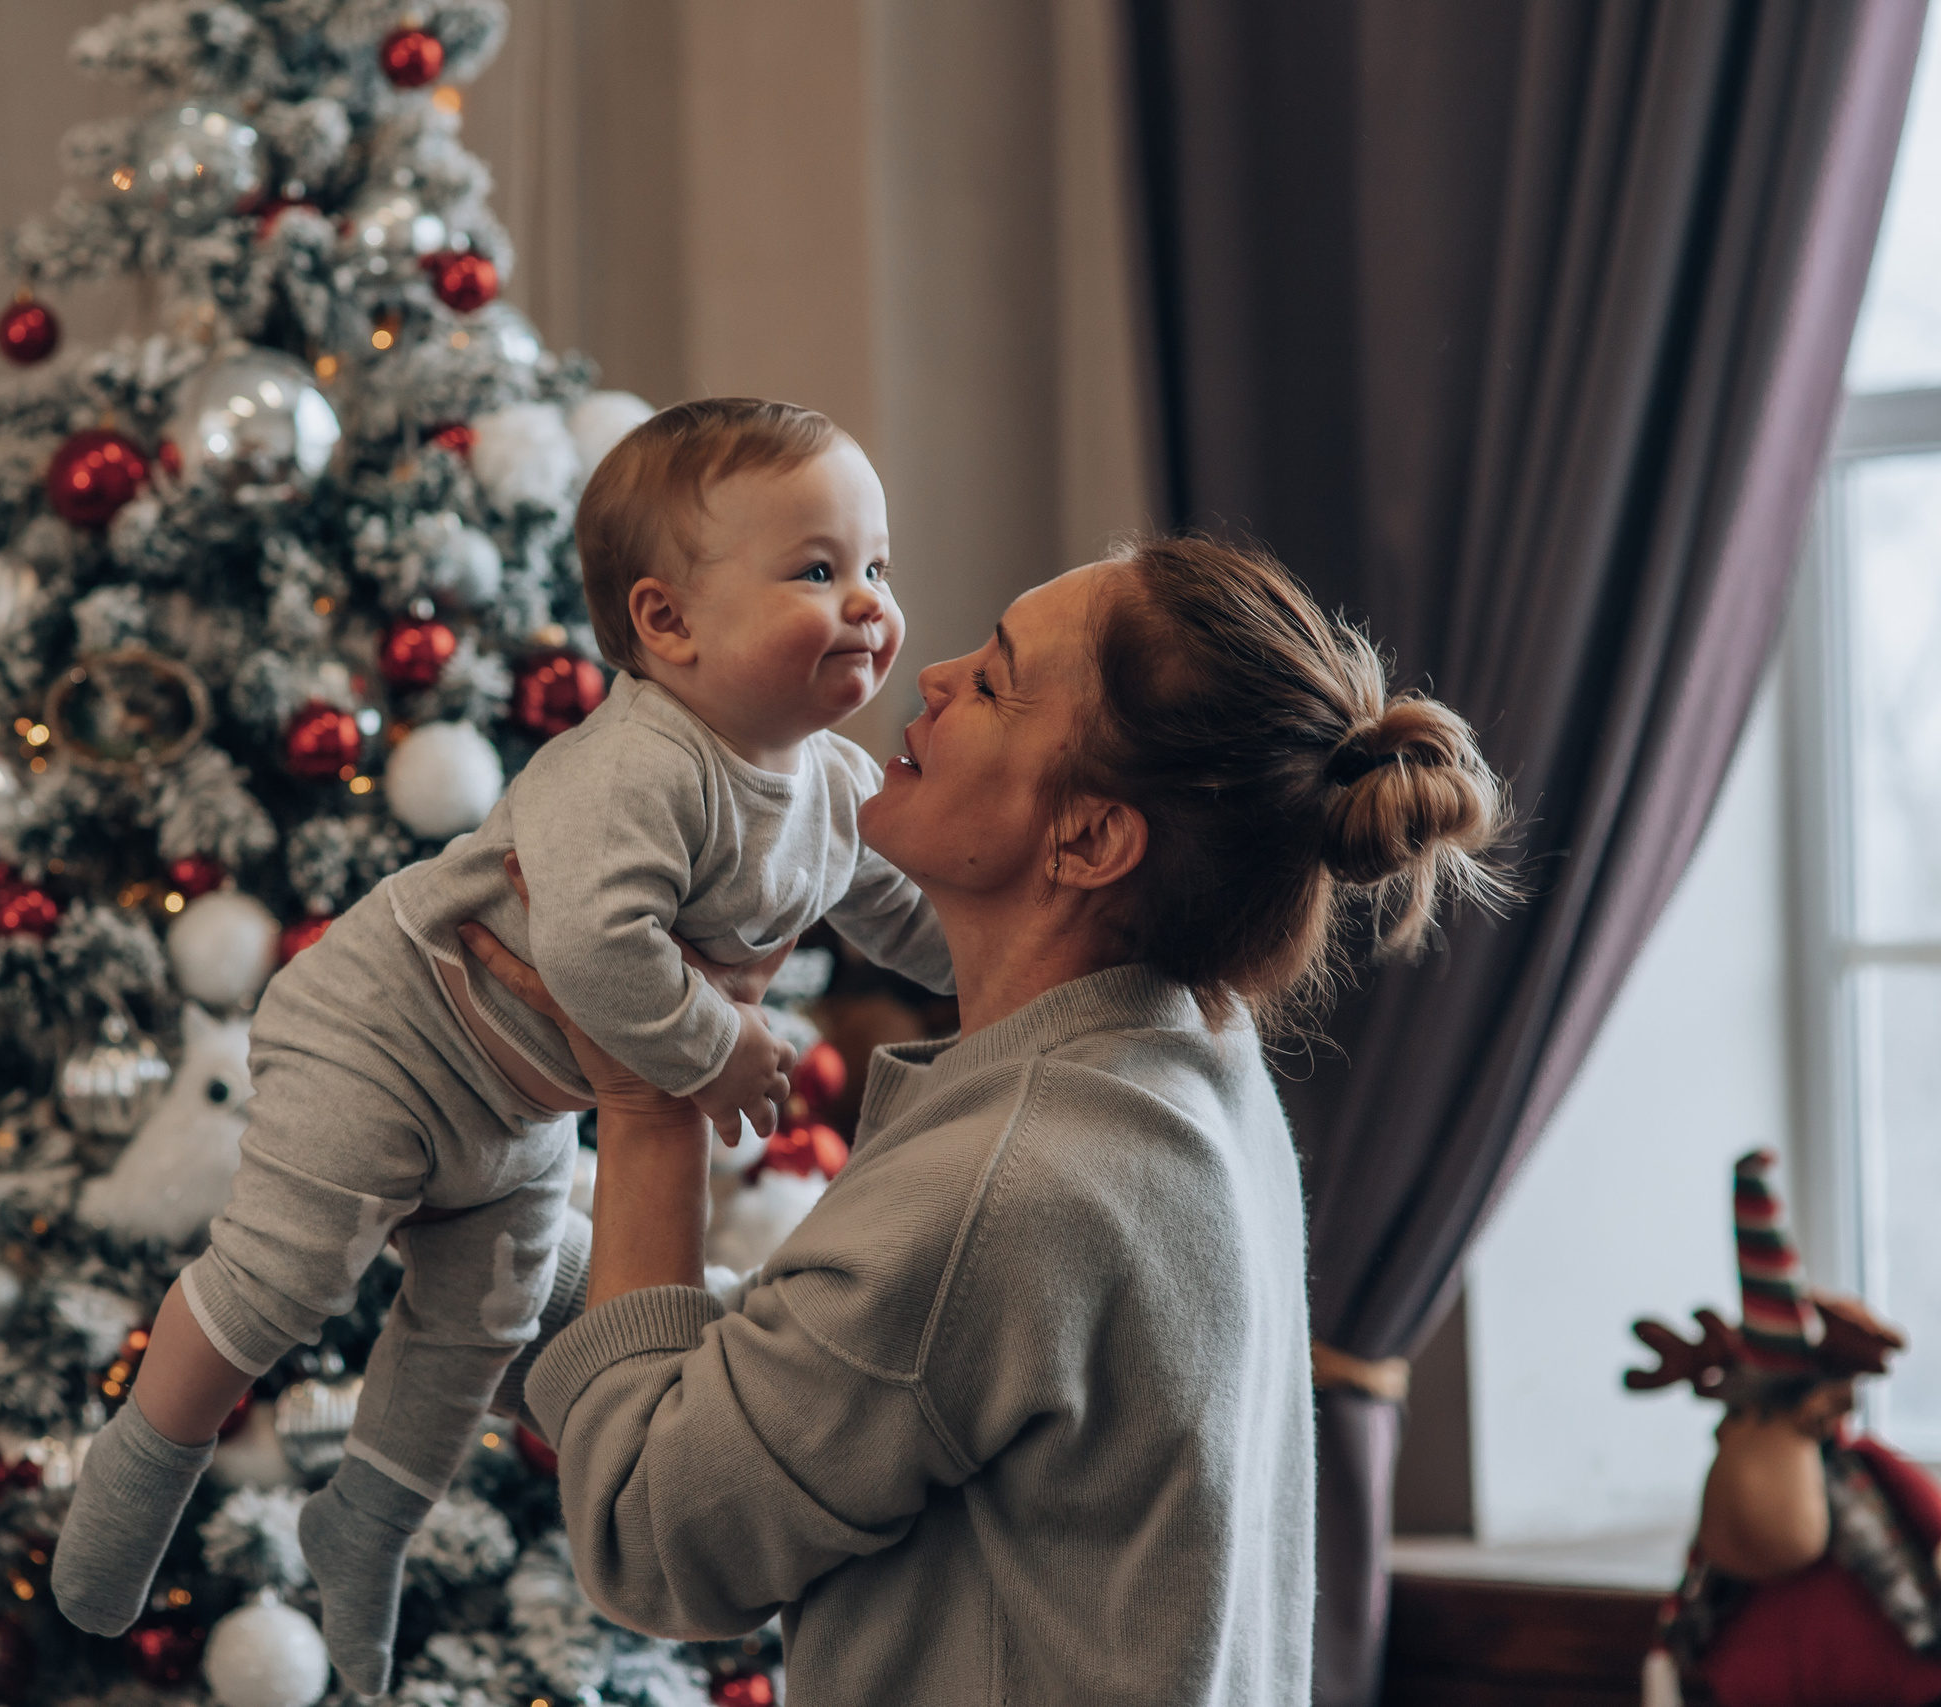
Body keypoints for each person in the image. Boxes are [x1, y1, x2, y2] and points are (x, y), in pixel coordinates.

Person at [461, 536, 1514, 1704]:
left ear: (1089, 839)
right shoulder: (1187, 1064)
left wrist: (651, 1091)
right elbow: (828, 1385)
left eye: (998, 680)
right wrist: (486, 1240)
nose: (933, 675)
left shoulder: (1013, 1180)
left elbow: (653, 1531)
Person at [52, 399, 953, 1695]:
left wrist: (1009, 977)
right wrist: (717, 1041)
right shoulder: (637, 767)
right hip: (392, 1023)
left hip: (519, 1102)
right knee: (287, 1275)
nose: (870, 603)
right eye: (819, 570)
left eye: (877, 565)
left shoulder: (829, 788)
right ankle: (135, 1475)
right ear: (667, 621)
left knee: (478, 1325)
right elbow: (593, 952)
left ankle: (364, 1525)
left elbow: (917, 923)